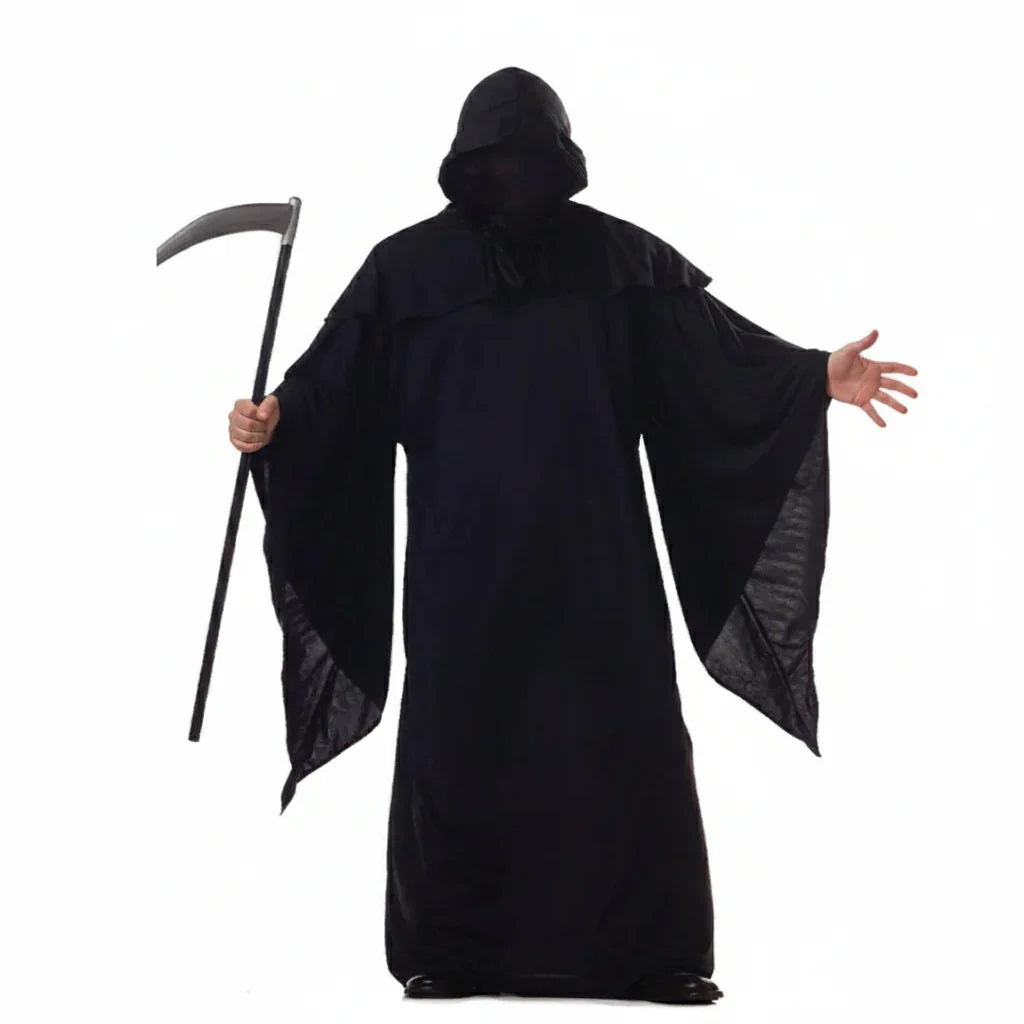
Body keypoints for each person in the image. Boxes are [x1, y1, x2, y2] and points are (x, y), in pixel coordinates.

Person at [227, 67, 918, 1004]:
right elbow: (329, 389)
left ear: (562, 161)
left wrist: (807, 377)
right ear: (464, 164)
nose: (511, 179)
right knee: (460, 741)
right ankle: (447, 950)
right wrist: (276, 420)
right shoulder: (403, 272)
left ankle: (655, 955)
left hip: (598, 562)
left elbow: (713, 357)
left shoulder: (620, 261)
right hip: (461, 567)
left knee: (624, 738)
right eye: (495, 161)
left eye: (529, 159)